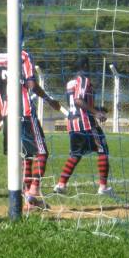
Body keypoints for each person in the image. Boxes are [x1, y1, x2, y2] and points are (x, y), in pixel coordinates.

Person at [0, 49, 60, 210]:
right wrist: (49, 99)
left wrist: (3, 94)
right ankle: (34, 190)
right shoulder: (23, 55)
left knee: (22, 155)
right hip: (24, 112)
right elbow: (32, 84)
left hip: (7, 113)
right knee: (41, 152)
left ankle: (27, 198)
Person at [53, 58, 112, 195]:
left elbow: (76, 103)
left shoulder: (70, 83)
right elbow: (78, 100)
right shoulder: (84, 80)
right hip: (86, 123)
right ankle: (103, 187)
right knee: (103, 150)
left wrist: (97, 108)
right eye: (89, 66)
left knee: (75, 154)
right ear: (85, 66)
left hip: (73, 125)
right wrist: (96, 112)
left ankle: (61, 185)